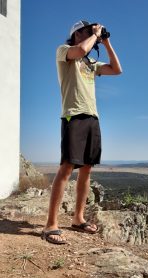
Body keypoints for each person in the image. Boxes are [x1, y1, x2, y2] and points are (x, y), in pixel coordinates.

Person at [41, 20, 122, 244]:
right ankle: (50, 225)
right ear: (77, 33)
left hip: (92, 116)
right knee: (67, 166)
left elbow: (117, 69)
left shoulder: (90, 62)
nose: (91, 34)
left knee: (87, 169)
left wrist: (106, 42)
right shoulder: (65, 51)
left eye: (91, 31)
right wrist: (94, 36)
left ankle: (78, 218)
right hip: (73, 115)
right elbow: (82, 49)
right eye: (87, 31)